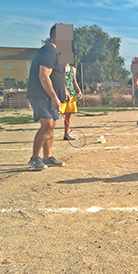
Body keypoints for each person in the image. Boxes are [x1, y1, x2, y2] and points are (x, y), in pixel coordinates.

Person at [26, 24, 68, 170]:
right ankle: (34, 158)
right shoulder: (48, 51)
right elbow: (44, 77)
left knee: (53, 125)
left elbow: (59, 76)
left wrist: (64, 91)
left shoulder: (58, 53)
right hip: (40, 94)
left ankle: (47, 157)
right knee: (47, 125)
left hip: (50, 96)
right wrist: (54, 98)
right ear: (57, 36)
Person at [61, 62, 83, 140]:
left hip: (71, 94)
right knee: (55, 115)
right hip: (61, 94)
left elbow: (74, 81)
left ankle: (66, 134)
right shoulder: (59, 68)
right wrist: (64, 90)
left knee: (68, 115)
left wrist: (79, 91)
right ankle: (49, 134)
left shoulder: (73, 69)